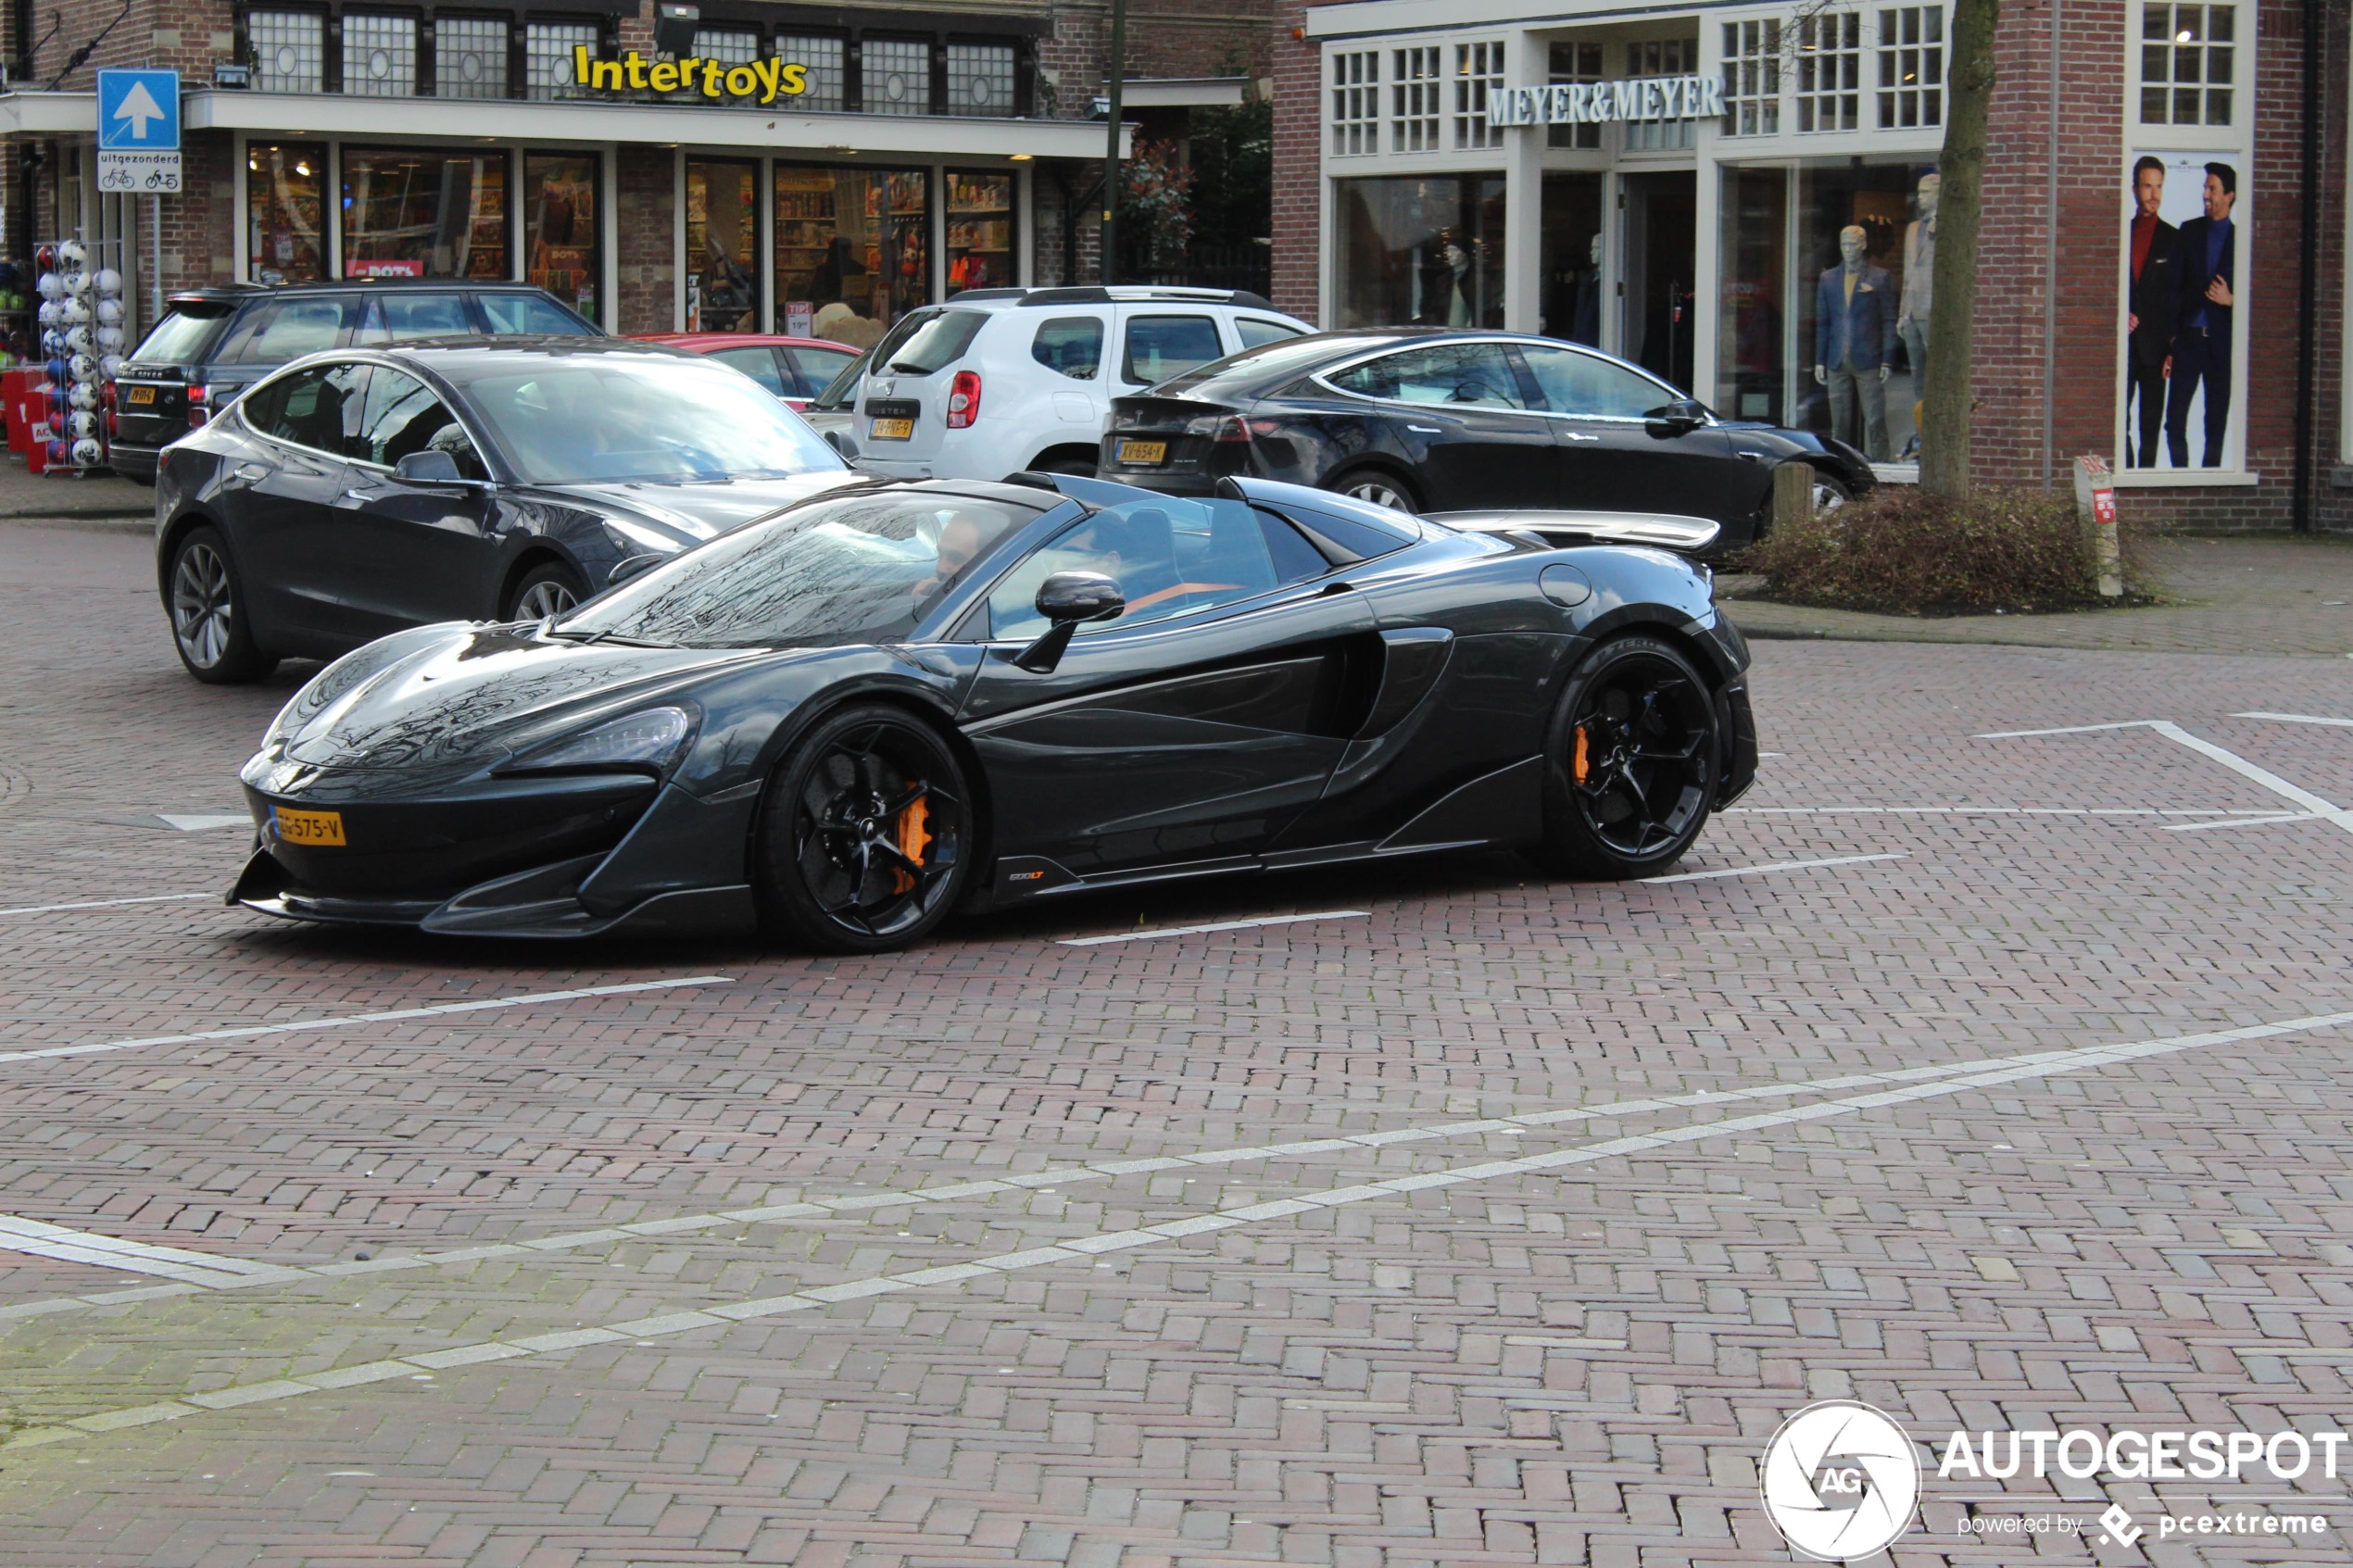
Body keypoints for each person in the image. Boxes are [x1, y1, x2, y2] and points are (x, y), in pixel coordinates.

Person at [2164, 161, 2235, 468]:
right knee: (2175, 420)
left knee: (2215, 423)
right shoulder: (2189, 230)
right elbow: (2172, 287)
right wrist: (2171, 343)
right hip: (2189, 341)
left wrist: (2231, 300)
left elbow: (2260, 292)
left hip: (2221, 344)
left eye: (2212, 189)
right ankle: (2181, 475)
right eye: (2205, 188)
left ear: (2229, 195)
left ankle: (2210, 479)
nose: (2206, 194)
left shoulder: (2240, 238)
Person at [1813, 225, 1896, 462]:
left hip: (1868, 357)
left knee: (1875, 419)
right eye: (1844, 244)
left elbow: (1889, 320)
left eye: (1853, 244)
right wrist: (1820, 359)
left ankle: (1881, 466)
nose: (1848, 250)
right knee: (1839, 421)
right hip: (1837, 358)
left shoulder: (1880, 277)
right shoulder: (1828, 278)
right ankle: (1843, 465)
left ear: (1863, 245)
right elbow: (1824, 322)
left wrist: (1887, 359)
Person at [2124, 157, 2181, 467]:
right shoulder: (2121, 234)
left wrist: (2173, 348)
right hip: (2123, 347)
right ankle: (2128, 473)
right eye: (2148, 186)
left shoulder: (2174, 239)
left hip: (2157, 350)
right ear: (2135, 189)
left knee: (2150, 424)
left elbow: (2179, 298)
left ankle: (2143, 478)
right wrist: (2120, 315)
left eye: (2159, 186)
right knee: (2120, 423)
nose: (2154, 194)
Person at [1897, 172, 1937, 422]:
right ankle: (1922, 428)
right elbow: (1907, 272)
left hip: (1932, 308)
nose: (1920, 197)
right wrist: (1903, 312)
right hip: (1912, 310)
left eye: (1925, 192)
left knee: (1935, 373)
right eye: (1919, 192)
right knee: (1917, 375)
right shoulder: (1913, 229)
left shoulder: (1950, 225)